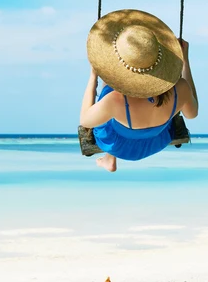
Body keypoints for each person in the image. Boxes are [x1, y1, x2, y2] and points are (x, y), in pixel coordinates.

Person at [79, 9, 198, 172]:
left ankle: (109, 158)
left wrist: (93, 76)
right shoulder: (181, 88)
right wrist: (185, 61)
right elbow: (192, 114)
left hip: (119, 146)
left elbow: (85, 120)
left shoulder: (115, 100)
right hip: (155, 142)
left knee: (108, 88)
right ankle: (109, 158)